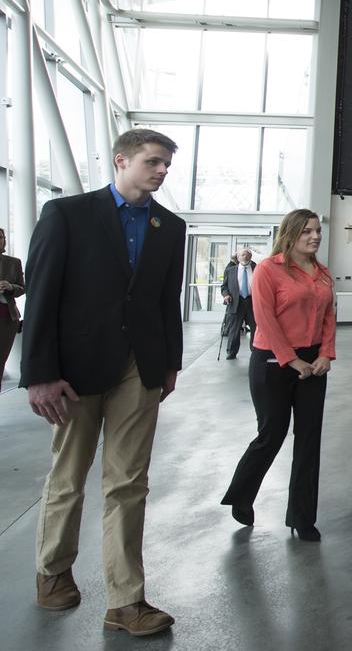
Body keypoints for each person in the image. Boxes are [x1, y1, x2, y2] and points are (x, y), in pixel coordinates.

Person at [21, 129, 184, 637]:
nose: (160, 171)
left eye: (166, 166)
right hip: (74, 370)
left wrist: (170, 364)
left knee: (129, 481)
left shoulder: (169, 226)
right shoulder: (68, 215)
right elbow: (42, 294)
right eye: (153, 162)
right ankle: (53, 572)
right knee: (69, 476)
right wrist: (39, 374)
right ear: (121, 160)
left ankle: (125, 600)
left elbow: (164, 302)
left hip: (141, 367)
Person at [222, 210, 336, 542]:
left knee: (309, 439)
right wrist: (291, 360)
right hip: (272, 360)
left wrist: (326, 353)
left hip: (315, 361)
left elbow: (329, 316)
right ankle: (241, 495)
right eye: (307, 232)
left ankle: (302, 517)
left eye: (317, 231)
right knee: (271, 434)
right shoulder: (269, 271)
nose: (315, 236)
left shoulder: (323, 273)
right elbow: (265, 319)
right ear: (290, 234)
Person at [220, 248, 257, 359]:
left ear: (250, 256)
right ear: (238, 257)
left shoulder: (257, 268)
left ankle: (255, 351)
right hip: (236, 302)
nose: (244, 257)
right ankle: (231, 352)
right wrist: (226, 295)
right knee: (234, 329)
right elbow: (224, 286)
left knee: (256, 328)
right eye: (242, 255)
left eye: (246, 255)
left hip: (253, 302)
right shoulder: (230, 270)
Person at [0, 227, 24, 380]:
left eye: (1, 237)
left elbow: (23, 288)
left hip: (7, 320)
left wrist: (10, 287)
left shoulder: (13, 262)